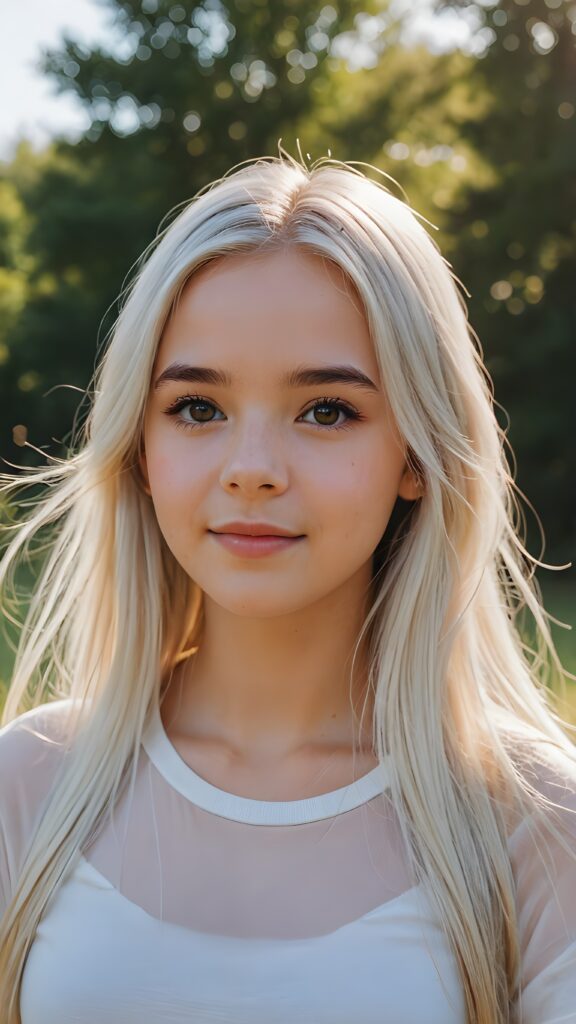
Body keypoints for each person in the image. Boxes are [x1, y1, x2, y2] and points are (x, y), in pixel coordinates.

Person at [0, 148, 575, 1024]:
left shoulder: (537, 820)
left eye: (327, 410)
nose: (253, 468)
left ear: (417, 456)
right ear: (140, 449)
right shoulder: (29, 785)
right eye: (198, 408)